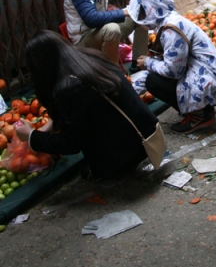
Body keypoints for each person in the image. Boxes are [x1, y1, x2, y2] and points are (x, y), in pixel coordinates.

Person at [15, 30, 160, 181]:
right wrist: (51, 124)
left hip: (129, 152)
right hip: (147, 135)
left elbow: (71, 144)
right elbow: (87, 109)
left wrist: (32, 136)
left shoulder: (68, 88)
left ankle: (113, 169)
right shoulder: (89, 58)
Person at [127, 0, 216, 134]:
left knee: (152, 81)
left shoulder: (170, 30)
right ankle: (204, 109)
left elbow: (173, 71)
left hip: (208, 81)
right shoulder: (169, 21)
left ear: (150, 12)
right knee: (152, 75)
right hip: (212, 77)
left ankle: (198, 116)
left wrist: (148, 63)